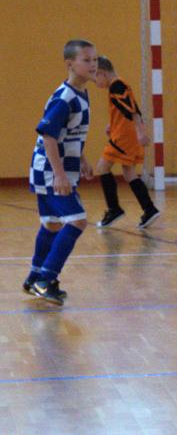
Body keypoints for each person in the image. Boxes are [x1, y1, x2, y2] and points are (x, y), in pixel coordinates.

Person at [24, 39, 97, 306]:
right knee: (77, 221)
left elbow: (68, 134)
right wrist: (59, 174)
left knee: (52, 224)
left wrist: (82, 159)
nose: (93, 64)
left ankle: (34, 277)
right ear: (70, 64)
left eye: (95, 59)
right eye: (86, 60)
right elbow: (49, 136)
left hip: (56, 168)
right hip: (49, 170)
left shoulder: (81, 94)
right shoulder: (65, 98)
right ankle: (46, 279)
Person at [94, 55, 161, 229]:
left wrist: (141, 132)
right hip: (125, 134)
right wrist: (112, 124)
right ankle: (149, 209)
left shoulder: (116, 85)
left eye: (95, 77)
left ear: (102, 73)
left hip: (124, 137)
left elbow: (133, 110)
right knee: (129, 173)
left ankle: (114, 209)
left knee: (102, 167)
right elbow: (125, 109)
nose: (95, 82)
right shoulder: (118, 84)